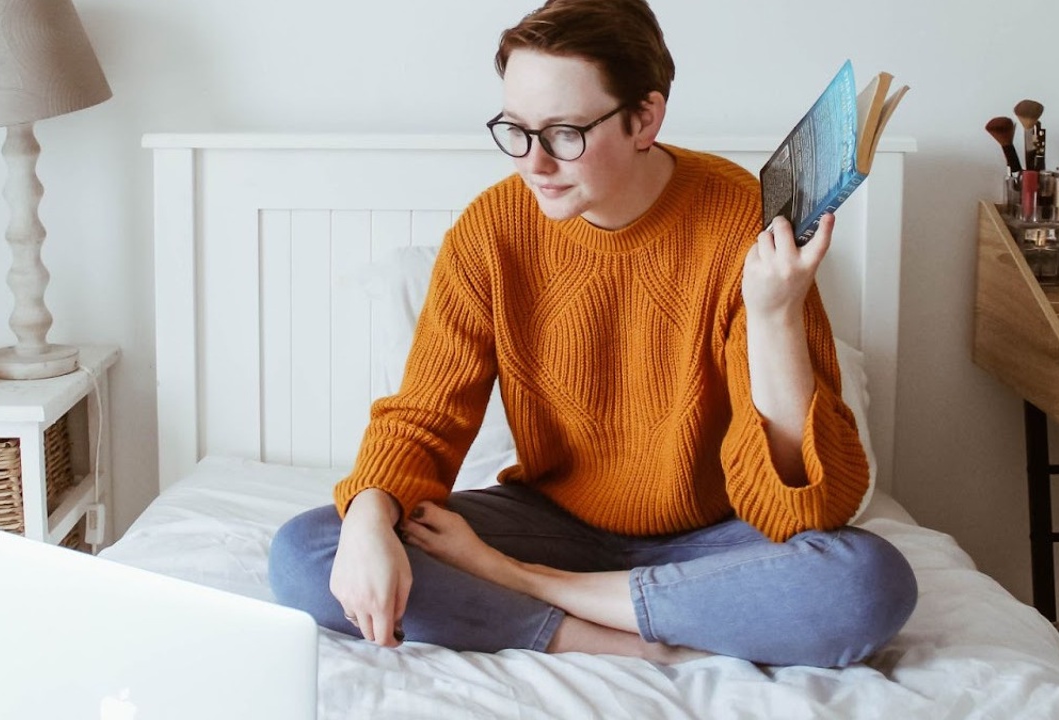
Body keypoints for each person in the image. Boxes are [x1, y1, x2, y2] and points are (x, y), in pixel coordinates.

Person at [269, 0, 917, 667]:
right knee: (308, 551)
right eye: (515, 130)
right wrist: (373, 516)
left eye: (565, 133)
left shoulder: (741, 222)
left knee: (867, 582)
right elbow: (426, 418)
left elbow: (805, 513)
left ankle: (539, 593)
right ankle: (609, 635)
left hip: (717, 537)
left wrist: (776, 313)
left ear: (645, 118)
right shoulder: (492, 232)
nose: (535, 162)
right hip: (551, 521)